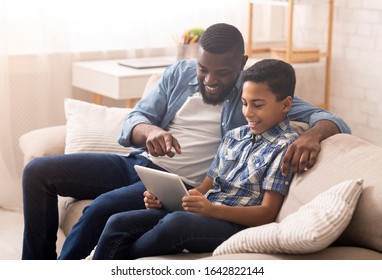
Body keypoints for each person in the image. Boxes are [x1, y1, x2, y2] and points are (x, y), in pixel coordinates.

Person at [21, 23, 351, 260]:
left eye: (221, 73)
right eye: (203, 68)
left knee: (103, 209)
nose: (209, 80)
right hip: (138, 164)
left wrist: (312, 134)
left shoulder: (255, 93)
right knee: (38, 172)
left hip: (180, 182)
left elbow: (330, 119)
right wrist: (151, 132)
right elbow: (134, 120)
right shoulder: (179, 73)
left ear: (242, 63)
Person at [91, 58, 299, 259]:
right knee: (117, 222)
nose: (248, 112)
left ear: (286, 104)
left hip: (233, 225)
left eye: (257, 105)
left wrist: (212, 210)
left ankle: (120, 259)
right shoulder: (234, 136)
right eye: (244, 103)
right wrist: (166, 199)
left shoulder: (286, 146)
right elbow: (205, 187)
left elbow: (267, 213)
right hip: (204, 213)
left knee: (176, 224)